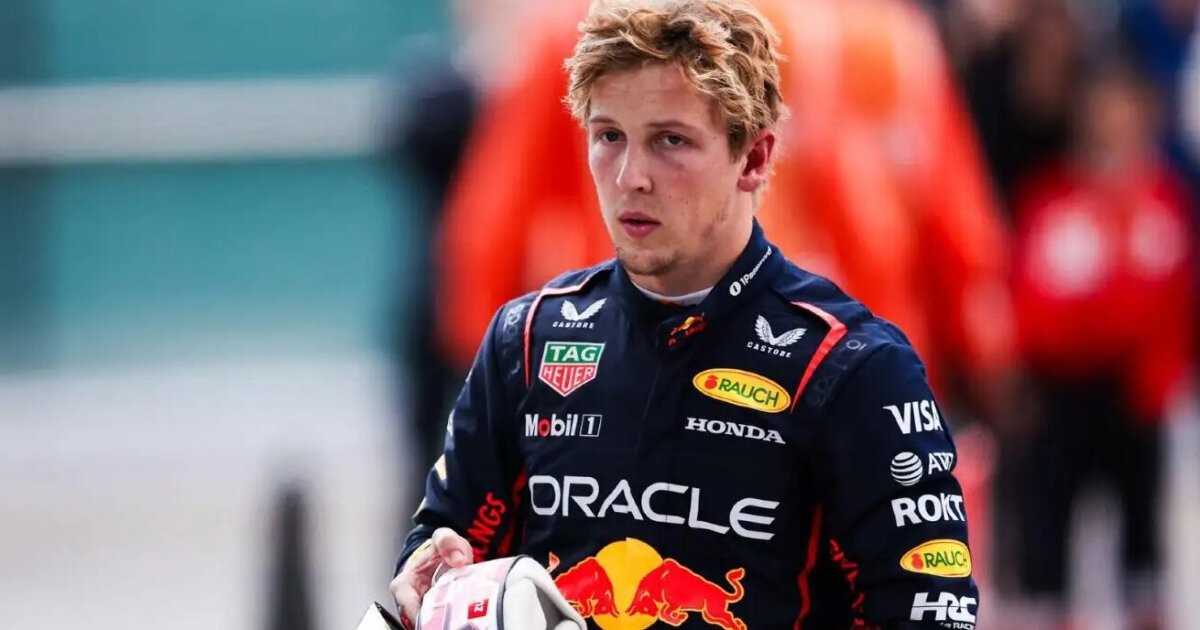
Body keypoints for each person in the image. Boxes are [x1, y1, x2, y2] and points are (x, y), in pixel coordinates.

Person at [391, 1, 980, 628]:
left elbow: (929, 609)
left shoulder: (854, 366)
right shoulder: (528, 340)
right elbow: (445, 543)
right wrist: (430, 572)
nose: (631, 177)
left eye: (670, 141)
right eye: (608, 136)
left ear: (754, 159)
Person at [1004, 57, 1194, 630]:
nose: (1111, 123)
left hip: (1137, 397)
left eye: (1123, 111)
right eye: (1101, 111)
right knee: (1050, 534)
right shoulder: (1051, 199)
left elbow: (1175, 301)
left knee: (1144, 538)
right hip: (1062, 395)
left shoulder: (1163, 201)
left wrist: (1162, 376)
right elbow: (1031, 301)